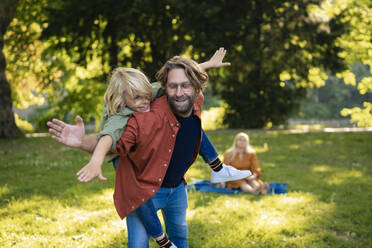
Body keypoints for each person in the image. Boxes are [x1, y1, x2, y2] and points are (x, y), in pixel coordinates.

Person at [47, 52, 250, 247]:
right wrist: (92, 155)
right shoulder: (122, 116)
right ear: (123, 100)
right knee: (137, 234)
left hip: (174, 184)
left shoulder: (146, 92)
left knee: (180, 234)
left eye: (146, 96)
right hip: (130, 164)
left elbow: (181, 77)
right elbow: (106, 139)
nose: (145, 102)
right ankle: (161, 238)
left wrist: (206, 65)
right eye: (138, 99)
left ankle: (218, 168)